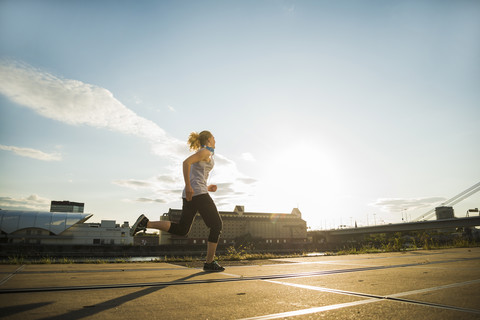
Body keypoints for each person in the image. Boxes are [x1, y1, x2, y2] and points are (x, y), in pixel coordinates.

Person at [130, 130, 224, 272]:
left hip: (194, 193)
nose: (216, 140)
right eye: (214, 138)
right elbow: (186, 163)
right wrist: (188, 186)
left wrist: (208, 187)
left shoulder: (205, 153)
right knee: (216, 225)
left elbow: (197, 175)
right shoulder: (205, 152)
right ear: (209, 140)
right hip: (196, 193)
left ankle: (146, 223)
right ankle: (209, 262)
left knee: (182, 229)